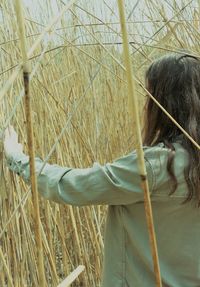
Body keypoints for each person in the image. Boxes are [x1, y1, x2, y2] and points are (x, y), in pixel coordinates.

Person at [4, 53, 200, 287]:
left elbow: (73, 186)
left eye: (149, 96)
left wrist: (16, 157)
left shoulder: (157, 165)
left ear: (163, 104)